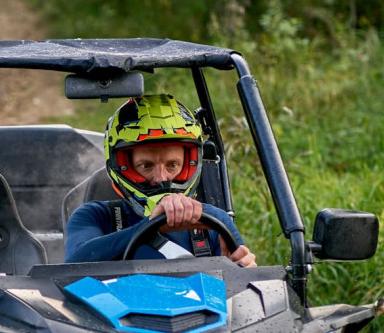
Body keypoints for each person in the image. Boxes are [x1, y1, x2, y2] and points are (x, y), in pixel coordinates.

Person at [64, 94, 257, 266]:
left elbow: (243, 293)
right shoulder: (94, 216)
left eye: (172, 165)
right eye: (146, 166)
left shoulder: (214, 221)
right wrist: (151, 225)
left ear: (188, 165)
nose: (161, 178)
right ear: (122, 167)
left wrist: (244, 269)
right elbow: (73, 266)